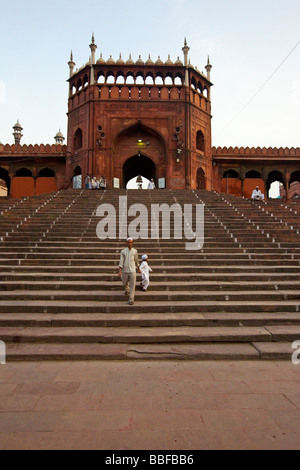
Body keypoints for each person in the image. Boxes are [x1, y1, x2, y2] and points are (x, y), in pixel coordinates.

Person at [118, 238, 140, 305]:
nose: (130, 244)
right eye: (128, 242)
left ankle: (131, 299)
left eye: (131, 242)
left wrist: (138, 268)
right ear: (126, 243)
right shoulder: (123, 251)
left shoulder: (135, 251)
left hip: (132, 270)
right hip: (125, 270)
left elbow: (136, 260)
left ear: (132, 243)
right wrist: (120, 271)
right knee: (124, 283)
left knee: (132, 285)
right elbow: (121, 261)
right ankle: (127, 290)